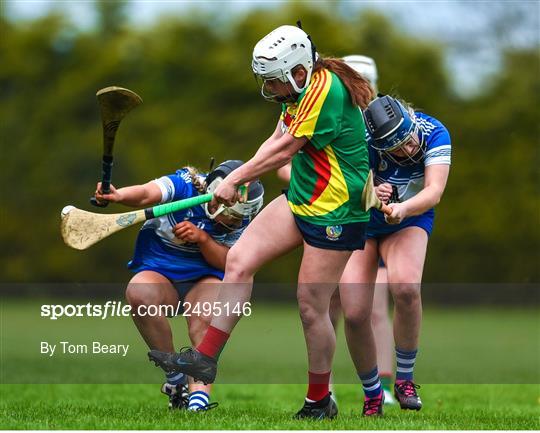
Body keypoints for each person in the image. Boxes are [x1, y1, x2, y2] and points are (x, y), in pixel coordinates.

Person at [149, 23, 384, 418]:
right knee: (239, 260)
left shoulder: (325, 92)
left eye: (274, 81)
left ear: (298, 70)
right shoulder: (297, 87)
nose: (270, 89)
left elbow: (287, 150)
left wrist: (237, 178)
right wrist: (241, 177)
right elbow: (275, 139)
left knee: (312, 306)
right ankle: (205, 360)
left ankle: (319, 401)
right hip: (302, 198)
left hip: (339, 211)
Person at [94, 160, 264, 411]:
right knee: (139, 294)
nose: (238, 222)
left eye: (242, 216)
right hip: (161, 274)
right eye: (233, 215)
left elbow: (232, 265)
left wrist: (203, 239)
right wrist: (119, 196)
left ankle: (198, 401)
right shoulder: (185, 184)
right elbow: (146, 194)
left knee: (205, 318)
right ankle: (175, 379)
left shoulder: (247, 221)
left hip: (207, 278)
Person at [277, 54, 397, 406]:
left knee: (367, 310)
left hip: (372, 224)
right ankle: (323, 390)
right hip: (330, 215)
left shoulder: (383, 123)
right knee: (323, 305)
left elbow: (402, 173)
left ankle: (381, 390)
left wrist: (383, 192)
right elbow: (289, 167)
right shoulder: (325, 108)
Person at [346, 95, 452, 411]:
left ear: (410, 121)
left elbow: (434, 191)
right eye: (396, 148)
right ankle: (373, 393)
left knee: (406, 289)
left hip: (409, 218)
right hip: (363, 223)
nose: (407, 150)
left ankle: (404, 380)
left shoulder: (434, 132)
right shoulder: (362, 139)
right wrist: (370, 190)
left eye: (408, 141)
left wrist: (402, 209)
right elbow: (346, 184)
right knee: (354, 313)